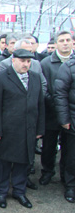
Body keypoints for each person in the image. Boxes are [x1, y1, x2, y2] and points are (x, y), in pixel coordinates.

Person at [0, 49, 45, 208]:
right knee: (4, 163)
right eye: (22, 61)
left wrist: (40, 129)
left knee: (24, 162)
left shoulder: (35, 78)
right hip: (8, 130)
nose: (26, 64)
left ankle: (19, 191)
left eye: (28, 61)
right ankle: (1, 192)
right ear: (13, 60)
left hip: (28, 128)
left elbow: (40, 105)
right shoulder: (1, 77)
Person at [40, 31, 74, 186]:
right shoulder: (46, 63)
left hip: (71, 115)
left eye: (68, 40)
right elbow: (43, 88)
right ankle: (47, 171)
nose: (65, 43)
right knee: (48, 146)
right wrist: (57, 105)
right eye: (62, 40)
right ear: (56, 43)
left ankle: (66, 177)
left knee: (69, 148)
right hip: (52, 112)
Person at [54, 54, 75, 203]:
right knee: (71, 156)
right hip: (72, 119)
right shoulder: (68, 67)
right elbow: (60, 94)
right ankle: (70, 185)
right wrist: (64, 119)